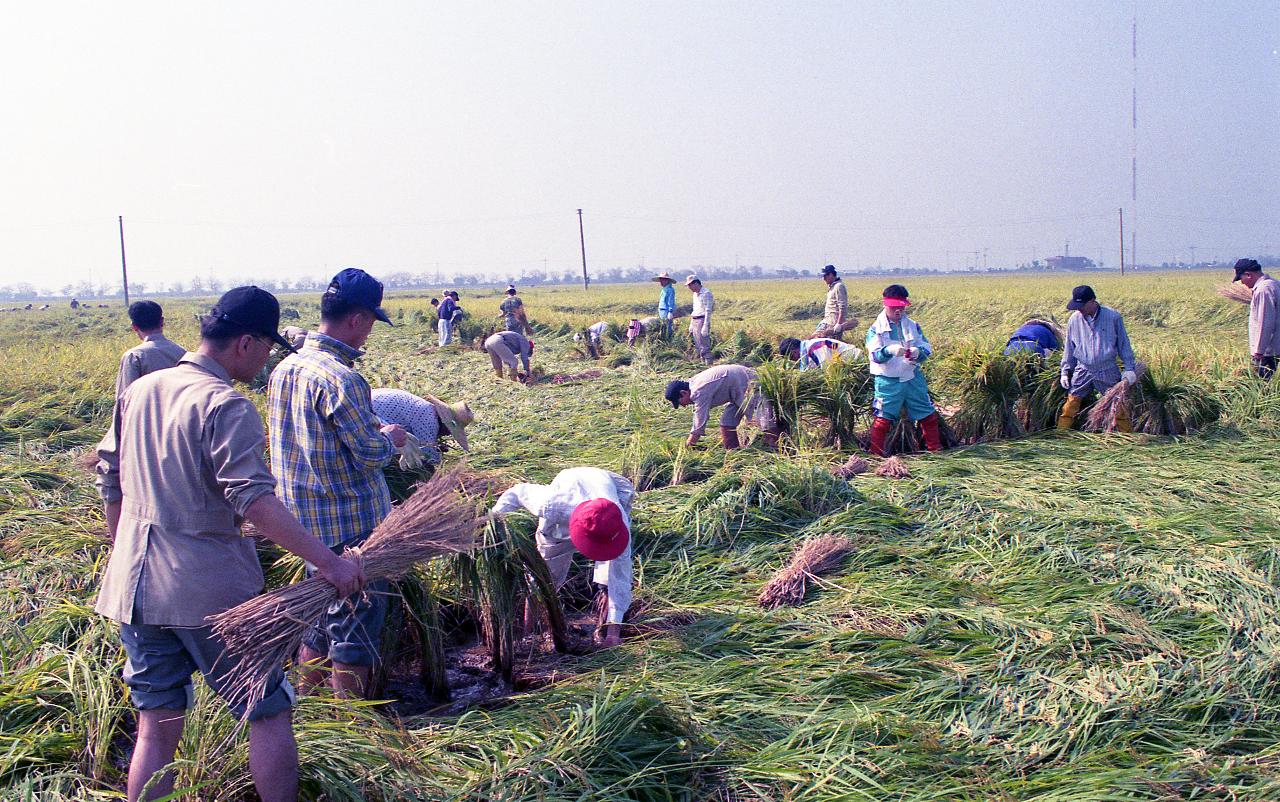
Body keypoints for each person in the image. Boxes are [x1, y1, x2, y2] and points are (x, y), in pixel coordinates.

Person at [94, 287, 364, 802]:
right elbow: (255, 503)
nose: (266, 362)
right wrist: (330, 563)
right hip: (210, 597)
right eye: (266, 348)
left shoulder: (142, 390)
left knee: (156, 727)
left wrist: (122, 551)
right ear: (245, 343)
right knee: (268, 709)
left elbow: (111, 479)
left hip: (133, 589)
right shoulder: (225, 405)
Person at [267, 268, 408, 699]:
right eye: (369, 324)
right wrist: (391, 439)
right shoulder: (343, 378)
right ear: (357, 319)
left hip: (304, 528)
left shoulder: (286, 368)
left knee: (318, 621)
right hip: (351, 528)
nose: (366, 335)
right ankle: (351, 727)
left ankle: (309, 712)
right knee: (353, 628)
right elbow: (369, 453)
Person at [490, 467, 634, 648]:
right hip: (559, 525)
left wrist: (615, 635)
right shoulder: (552, 504)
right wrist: (491, 522)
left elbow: (620, 578)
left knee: (609, 576)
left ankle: (605, 630)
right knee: (542, 578)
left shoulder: (616, 525)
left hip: (604, 486)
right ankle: (529, 631)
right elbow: (516, 493)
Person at [865, 284, 943, 455]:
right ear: (885, 304)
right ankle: (875, 455)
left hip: (912, 377)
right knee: (883, 419)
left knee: (927, 414)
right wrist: (888, 351)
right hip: (888, 380)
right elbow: (875, 356)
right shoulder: (875, 330)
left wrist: (918, 352)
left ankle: (936, 451)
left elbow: (926, 347)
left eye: (901, 307)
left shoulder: (913, 326)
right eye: (894, 307)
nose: (898, 311)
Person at [1057, 285, 1138, 431]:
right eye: (1077, 306)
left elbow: (1123, 344)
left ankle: (1127, 436)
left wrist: (1129, 368)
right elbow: (1069, 347)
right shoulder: (1074, 320)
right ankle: (1061, 434)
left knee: (1118, 404)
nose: (1079, 309)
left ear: (1092, 301)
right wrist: (1065, 370)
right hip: (1083, 369)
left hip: (1107, 369)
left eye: (1082, 305)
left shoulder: (1113, 317)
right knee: (1070, 405)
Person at [664, 363, 780, 450]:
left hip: (752, 383)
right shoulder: (694, 384)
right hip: (736, 392)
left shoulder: (698, 390)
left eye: (680, 402)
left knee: (766, 422)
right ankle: (733, 452)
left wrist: (689, 445)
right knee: (727, 422)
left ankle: (777, 452)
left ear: (684, 393)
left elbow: (699, 420)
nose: (683, 406)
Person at [371, 388, 472, 466]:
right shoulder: (429, 419)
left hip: (367, 402)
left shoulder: (426, 408)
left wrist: (436, 446)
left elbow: (421, 442)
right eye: (450, 431)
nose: (448, 434)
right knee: (394, 449)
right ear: (445, 423)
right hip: (371, 416)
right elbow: (429, 456)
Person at [112, 300, 188, 401]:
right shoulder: (181, 352)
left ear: (134, 327)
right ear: (162, 321)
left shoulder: (134, 356)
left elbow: (125, 399)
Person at [1234, 258, 1280, 379]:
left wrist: (1259, 351)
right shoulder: (1274, 283)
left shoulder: (1263, 290)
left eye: (1241, 279)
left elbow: (1265, 322)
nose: (1242, 283)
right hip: (1275, 347)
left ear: (1248, 275)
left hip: (1269, 350)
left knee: (1263, 387)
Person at [814, 265, 855, 338]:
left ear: (831, 274)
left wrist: (838, 324)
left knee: (828, 344)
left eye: (825, 276)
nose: (824, 279)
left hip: (833, 323)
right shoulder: (832, 287)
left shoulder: (839, 286)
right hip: (827, 321)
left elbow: (842, 307)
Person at [779, 336, 861, 370]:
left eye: (792, 357)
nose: (795, 360)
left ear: (794, 351)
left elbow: (826, 368)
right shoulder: (808, 350)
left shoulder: (815, 347)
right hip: (847, 366)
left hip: (856, 362)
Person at [686, 275, 715, 364]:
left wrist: (706, 325)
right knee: (697, 343)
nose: (689, 288)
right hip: (695, 319)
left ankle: (708, 363)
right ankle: (702, 363)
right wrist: (691, 323)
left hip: (702, 320)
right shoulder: (695, 294)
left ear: (696, 283)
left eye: (690, 285)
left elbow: (708, 310)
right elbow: (695, 309)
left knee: (704, 344)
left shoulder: (706, 293)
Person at [653, 272, 677, 338]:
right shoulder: (664, 289)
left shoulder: (670, 290)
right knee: (662, 326)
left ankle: (668, 340)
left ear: (667, 280)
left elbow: (671, 301)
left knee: (667, 327)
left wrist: (670, 311)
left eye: (663, 279)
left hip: (666, 311)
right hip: (661, 310)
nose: (661, 281)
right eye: (660, 279)